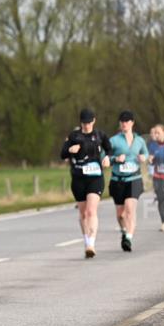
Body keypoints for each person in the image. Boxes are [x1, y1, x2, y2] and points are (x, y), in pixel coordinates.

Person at [60, 108, 111, 258]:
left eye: (89, 122)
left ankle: (91, 244)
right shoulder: (74, 136)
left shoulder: (100, 135)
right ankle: (86, 240)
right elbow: (62, 154)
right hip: (78, 179)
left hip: (95, 178)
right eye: (84, 123)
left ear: (94, 121)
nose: (87, 125)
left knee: (91, 211)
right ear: (80, 122)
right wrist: (70, 149)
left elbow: (109, 149)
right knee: (83, 214)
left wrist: (107, 157)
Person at [107, 110, 149, 252]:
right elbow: (105, 157)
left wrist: (143, 157)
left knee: (130, 209)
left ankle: (129, 238)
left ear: (132, 123)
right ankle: (124, 232)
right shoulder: (113, 140)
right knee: (121, 215)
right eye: (122, 121)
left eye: (127, 121)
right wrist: (116, 159)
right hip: (118, 180)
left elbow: (145, 153)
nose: (124, 124)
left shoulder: (139, 140)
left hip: (134, 179)